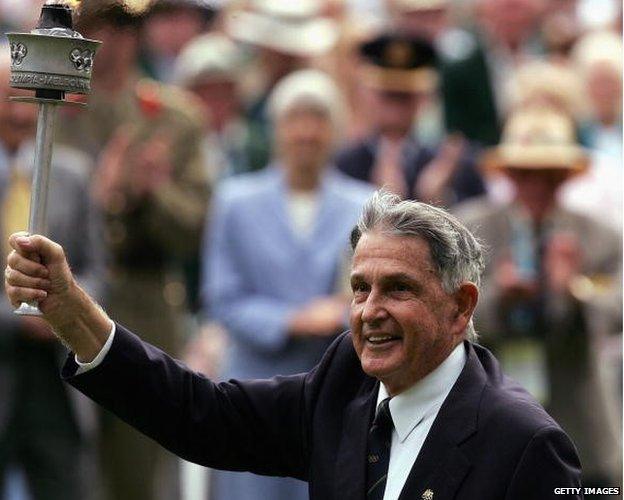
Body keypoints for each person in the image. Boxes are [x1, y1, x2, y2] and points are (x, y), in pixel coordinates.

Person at [4, 190, 583, 500]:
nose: (370, 311)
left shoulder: (524, 442)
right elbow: (198, 415)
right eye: (359, 288)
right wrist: (69, 307)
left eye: (398, 289)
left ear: (460, 307)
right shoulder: (344, 385)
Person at [56, 1, 211, 498]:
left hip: (143, 306)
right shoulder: (51, 109)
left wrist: (148, 196)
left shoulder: (174, 116)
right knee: (59, 466)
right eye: (96, 25)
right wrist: (101, 200)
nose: (109, 41)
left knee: (139, 472)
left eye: (122, 25)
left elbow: (194, 229)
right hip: (56, 303)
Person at [203, 69, 372, 500]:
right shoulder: (234, 201)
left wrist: (334, 314)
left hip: (332, 385)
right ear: (276, 129)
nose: (306, 132)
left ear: (336, 130)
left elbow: (372, 289)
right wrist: (289, 320)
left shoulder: (363, 204)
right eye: (294, 119)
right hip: (251, 386)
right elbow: (221, 296)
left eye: (318, 119)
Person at [455, 107, 622, 493]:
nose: (537, 185)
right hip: (490, 417)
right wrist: (498, 294)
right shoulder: (468, 229)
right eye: (526, 173)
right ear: (509, 175)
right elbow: (441, 307)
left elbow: (618, 307)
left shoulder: (598, 235)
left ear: (565, 177)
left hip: (580, 419)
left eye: (549, 175)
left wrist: (574, 290)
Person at [0, 53, 105, 500]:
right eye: (7, 96)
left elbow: (97, 268)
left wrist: (68, 312)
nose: (19, 109)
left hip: (57, 376)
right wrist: (24, 316)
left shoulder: (74, 174)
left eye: (25, 95)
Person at [335, 32, 485, 205]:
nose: (395, 106)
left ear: (423, 98)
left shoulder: (451, 162)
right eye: (387, 95)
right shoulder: (345, 164)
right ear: (367, 94)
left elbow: (480, 223)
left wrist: (440, 201)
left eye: (405, 96)